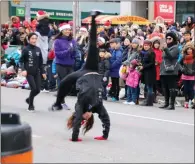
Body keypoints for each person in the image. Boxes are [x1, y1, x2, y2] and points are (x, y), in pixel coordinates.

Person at [49, 10, 110, 142]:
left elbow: (77, 119)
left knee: (65, 82)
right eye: (88, 118)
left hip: (84, 72)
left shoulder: (80, 106)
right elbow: (106, 119)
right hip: (92, 70)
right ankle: (59, 102)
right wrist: (105, 136)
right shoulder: (98, 106)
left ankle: (59, 102)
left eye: (84, 117)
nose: (86, 116)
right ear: (91, 117)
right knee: (94, 46)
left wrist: (74, 138)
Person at [19, 33, 46, 112]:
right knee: (33, 88)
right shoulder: (25, 49)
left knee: (38, 90)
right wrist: (23, 69)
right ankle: (30, 105)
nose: (34, 40)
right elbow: (21, 61)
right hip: (29, 72)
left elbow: (40, 63)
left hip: (36, 72)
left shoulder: (38, 49)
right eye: (32, 38)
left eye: (35, 39)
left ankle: (29, 99)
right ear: (29, 39)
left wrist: (43, 72)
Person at [159, 31, 179, 110]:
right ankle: (166, 103)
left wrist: (166, 49)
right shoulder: (166, 48)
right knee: (165, 88)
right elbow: (164, 58)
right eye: (166, 38)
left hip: (171, 70)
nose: (168, 40)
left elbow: (171, 56)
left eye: (169, 38)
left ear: (173, 39)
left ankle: (172, 104)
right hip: (164, 70)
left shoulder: (175, 47)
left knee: (172, 88)